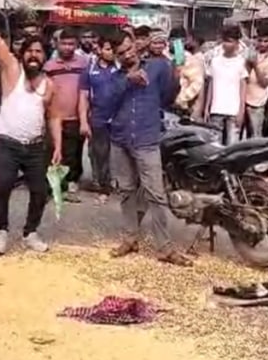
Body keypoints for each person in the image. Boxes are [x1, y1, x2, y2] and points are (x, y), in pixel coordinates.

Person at [0, 0, 62, 256]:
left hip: (35, 147)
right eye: (29, 51)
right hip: (8, 143)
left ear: (45, 56)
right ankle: (1, 232)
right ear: (22, 54)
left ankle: (30, 233)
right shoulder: (13, 70)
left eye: (39, 52)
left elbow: (54, 118)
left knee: (41, 191)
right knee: (1, 186)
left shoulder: (49, 85)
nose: (33, 55)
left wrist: (58, 146)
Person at [102, 34, 190, 266]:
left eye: (130, 48)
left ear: (137, 46)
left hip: (147, 138)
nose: (128, 54)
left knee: (156, 194)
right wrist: (127, 81)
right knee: (127, 192)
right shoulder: (114, 77)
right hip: (120, 139)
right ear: (116, 56)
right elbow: (105, 103)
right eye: (121, 53)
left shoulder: (158, 67)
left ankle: (165, 248)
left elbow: (167, 98)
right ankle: (131, 238)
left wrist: (177, 77)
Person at [44, 28, 90, 201]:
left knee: (73, 152)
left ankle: (71, 182)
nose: (67, 47)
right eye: (64, 43)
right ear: (57, 44)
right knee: (54, 151)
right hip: (55, 117)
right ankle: (54, 186)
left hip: (76, 116)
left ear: (76, 45)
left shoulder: (84, 64)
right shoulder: (49, 66)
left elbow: (86, 91)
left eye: (71, 44)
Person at [80, 37, 118, 200]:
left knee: (115, 153)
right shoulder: (89, 70)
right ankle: (99, 181)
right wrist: (83, 121)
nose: (111, 53)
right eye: (108, 49)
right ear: (100, 50)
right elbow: (83, 96)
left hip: (117, 119)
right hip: (97, 118)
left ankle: (110, 182)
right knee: (98, 152)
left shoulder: (119, 68)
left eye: (113, 49)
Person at [204, 25, 248, 145]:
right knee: (214, 146)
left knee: (232, 147)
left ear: (237, 43)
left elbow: (243, 87)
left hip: (233, 111)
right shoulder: (215, 61)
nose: (226, 44)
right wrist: (207, 107)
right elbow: (211, 84)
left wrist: (241, 111)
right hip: (216, 110)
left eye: (230, 41)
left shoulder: (241, 62)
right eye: (224, 40)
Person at [245, 29, 268, 138]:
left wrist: (255, 65)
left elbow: (264, 83)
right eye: (260, 41)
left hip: (258, 102)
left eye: (266, 41)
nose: (262, 44)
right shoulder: (250, 53)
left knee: (256, 134)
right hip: (243, 98)